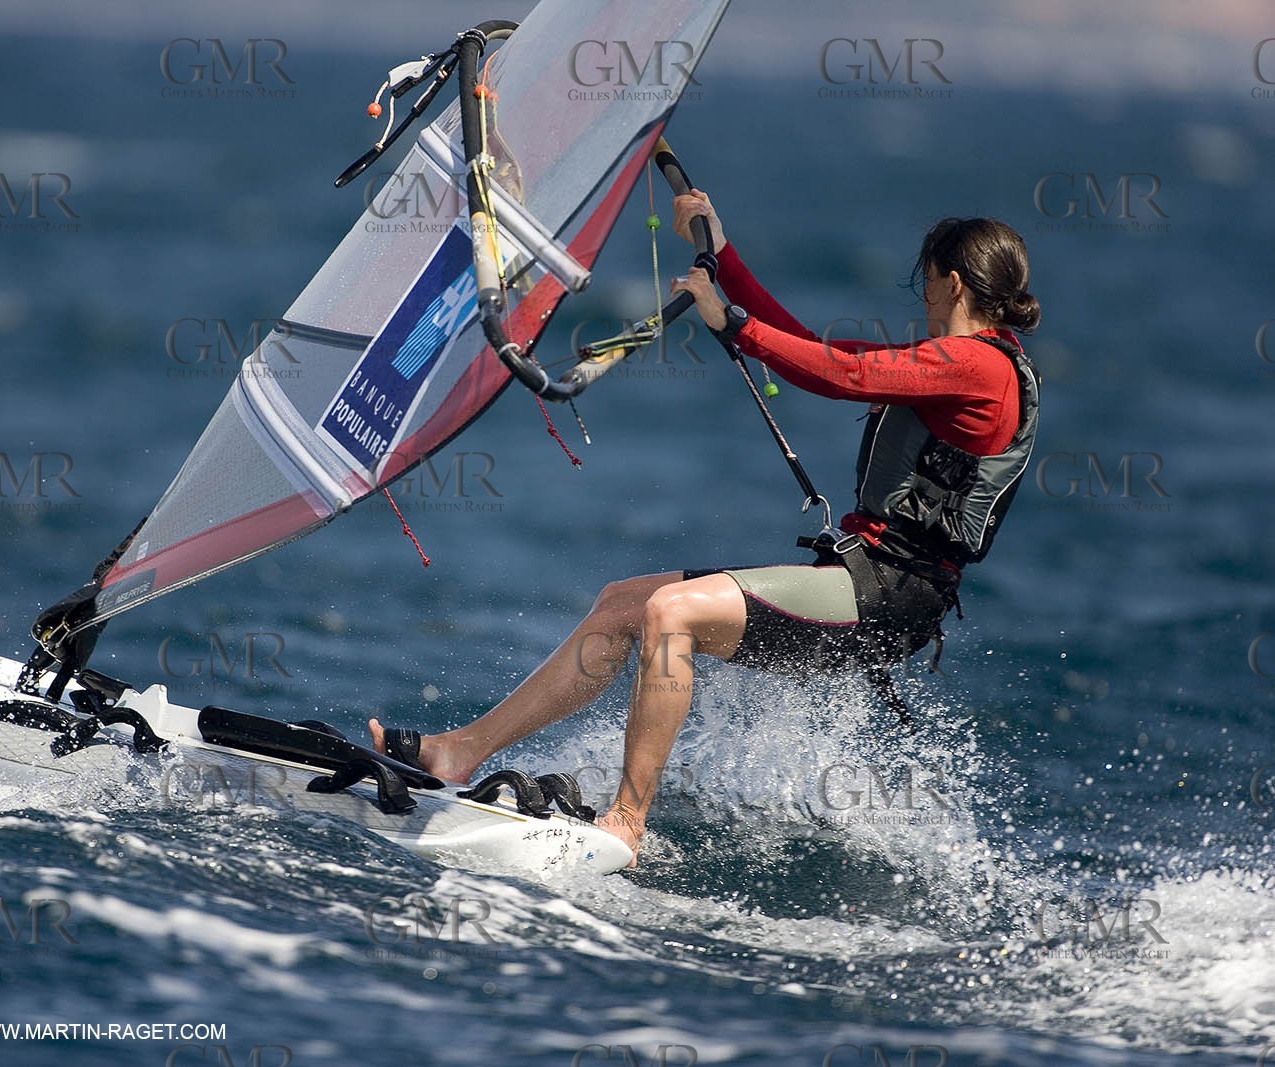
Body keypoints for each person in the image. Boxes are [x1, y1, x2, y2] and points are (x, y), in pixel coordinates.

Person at [371, 190, 1041, 863]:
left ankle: (626, 823)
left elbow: (846, 374)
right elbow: (813, 345)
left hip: (888, 596)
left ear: (951, 281)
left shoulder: (978, 365)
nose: (921, 293)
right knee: (621, 604)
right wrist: (721, 255)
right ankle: (460, 751)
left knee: (671, 613)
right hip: (861, 580)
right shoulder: (959, 361)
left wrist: (735, 326)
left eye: (926, 278)